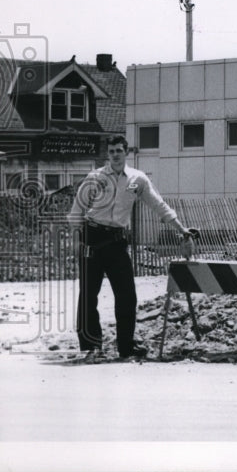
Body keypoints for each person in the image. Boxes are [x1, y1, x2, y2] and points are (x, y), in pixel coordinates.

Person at [69, 134, 194, 361]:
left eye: (119, 150)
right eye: (112, 151)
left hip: (117, 241)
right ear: (107, 154)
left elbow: (159, 205)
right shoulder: (95, 177)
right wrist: (77, 240)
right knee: (88, 295)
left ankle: (125, 348)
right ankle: (91, 346)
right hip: (92, 238)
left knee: (127, 296)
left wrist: (181, 229)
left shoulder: (138, 179)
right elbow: (77, 210)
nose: (115, 155)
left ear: (126, 152)